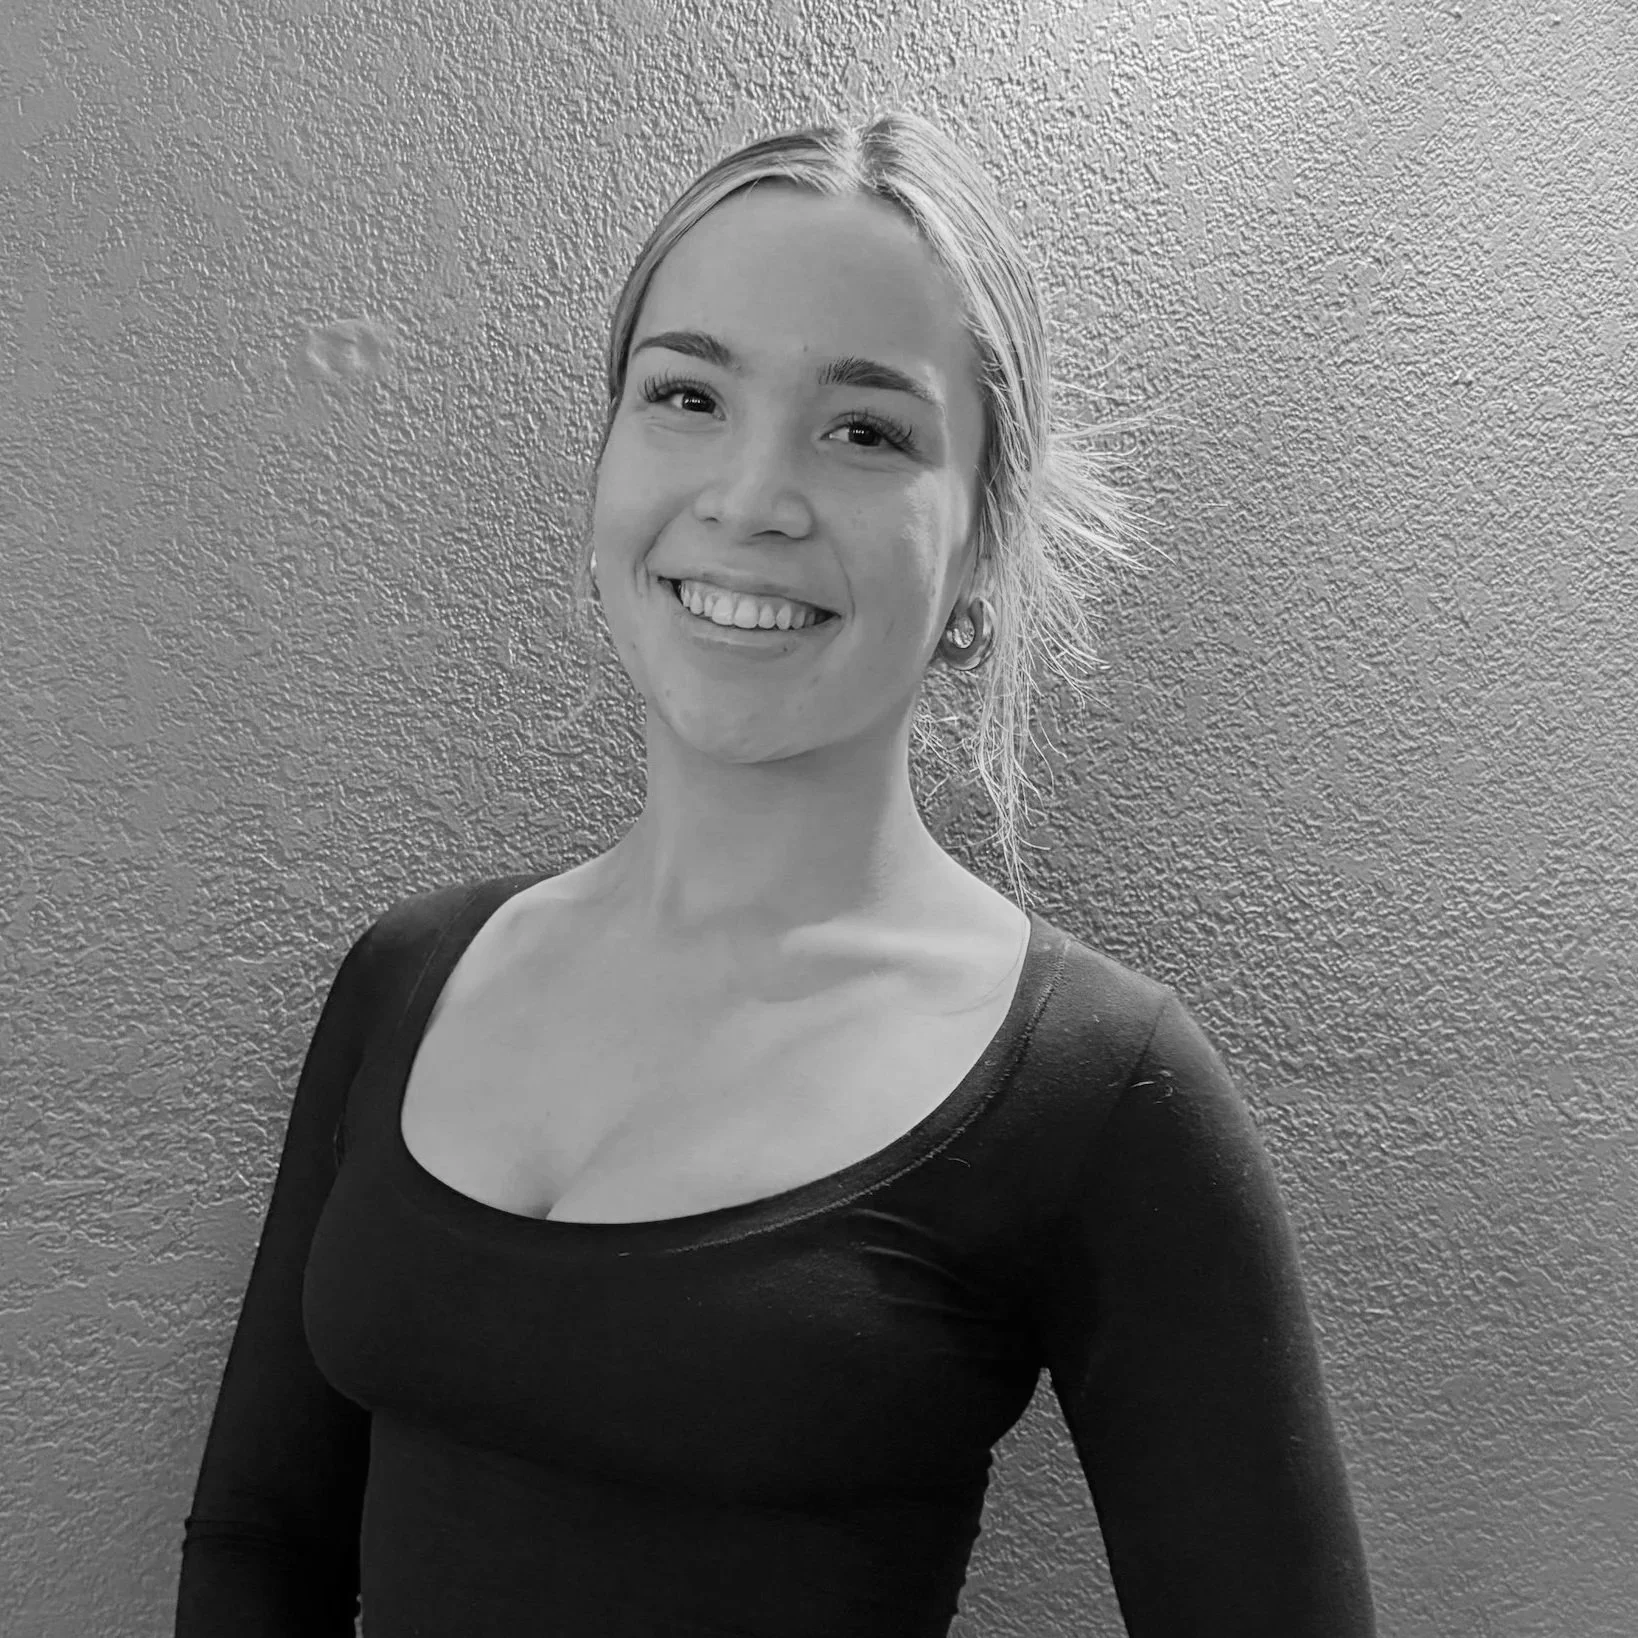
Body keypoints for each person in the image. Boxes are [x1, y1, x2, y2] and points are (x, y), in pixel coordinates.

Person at [175, 111, 1377, 1637]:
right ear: (605, 459)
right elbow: (257, 1540)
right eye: (685, 394)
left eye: (866, 428)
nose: (749, 495)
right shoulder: (407, 976)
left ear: (980, 546)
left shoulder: (1097, 1089)